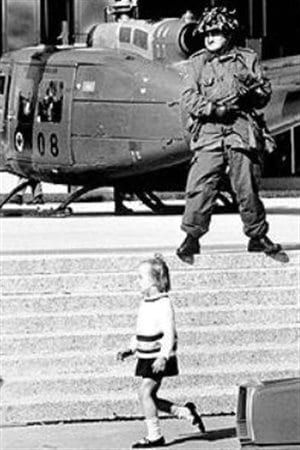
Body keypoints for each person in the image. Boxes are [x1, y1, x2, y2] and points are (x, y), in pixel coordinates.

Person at [177, 6, 281, 263]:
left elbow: (263, 95)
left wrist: (253, 94)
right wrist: (215, 109)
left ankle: (257, 236)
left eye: (216, 33)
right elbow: (188, 99)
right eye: (206, 34)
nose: (209, 38)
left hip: (239, 131)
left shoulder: (247, 59)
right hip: (210, 132)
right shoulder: (196, 62)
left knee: (247, 188)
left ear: (228, 34)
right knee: (200, 187)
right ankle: (191, 238)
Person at [117, 254, 205, 448]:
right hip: (146, 355)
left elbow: (169, 333)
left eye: (141, 277)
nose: (137, 281)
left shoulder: (164, 303)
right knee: (149, 396)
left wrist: (164, 356)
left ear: (155, 280)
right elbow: (141, 330)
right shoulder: (145, 302)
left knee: (144, 393)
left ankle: (155, 435)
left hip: (158, 356)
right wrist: (131, 348)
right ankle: (184, 412)